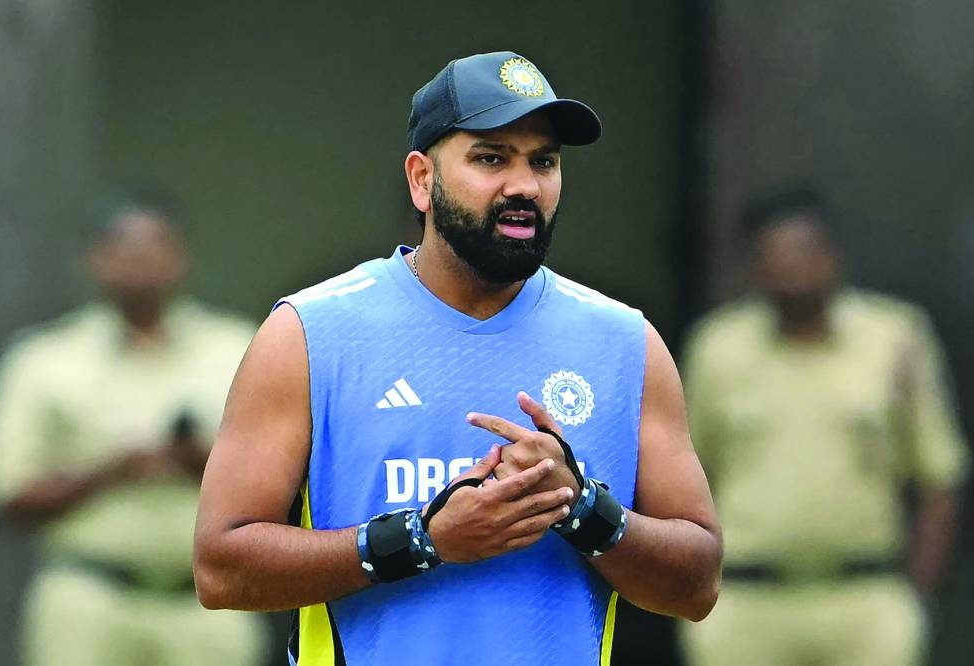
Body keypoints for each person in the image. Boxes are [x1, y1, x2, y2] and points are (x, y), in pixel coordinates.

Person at [193, 51, 723, 666]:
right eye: (490, 158)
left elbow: (697, 586)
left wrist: (580, 509)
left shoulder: (625, 342)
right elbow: (221, 570)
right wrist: (423, 540)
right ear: (422, 179)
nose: (523, 185)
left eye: (543, 161)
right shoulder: (310, 332)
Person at [679, 188, 972, 665]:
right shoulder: (718, 348)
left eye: (801, 251)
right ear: (754, 267)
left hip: (865, 601)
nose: (789, 266)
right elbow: (685, 471)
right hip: (744, 605)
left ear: (832, 257)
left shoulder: (896, 339)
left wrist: (915, 598)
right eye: (773, 255)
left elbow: (940, 472)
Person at [0, 199, 268, 665]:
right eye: (123, 248)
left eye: (155, 247)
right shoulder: (42, 359)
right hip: (88, 600)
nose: (141, 262)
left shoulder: (240, 346)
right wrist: (110, 472)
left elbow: (285, 479)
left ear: (182, 256)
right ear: (93, 259)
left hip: (207, 600)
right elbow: (9, 496)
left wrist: (200, 461)